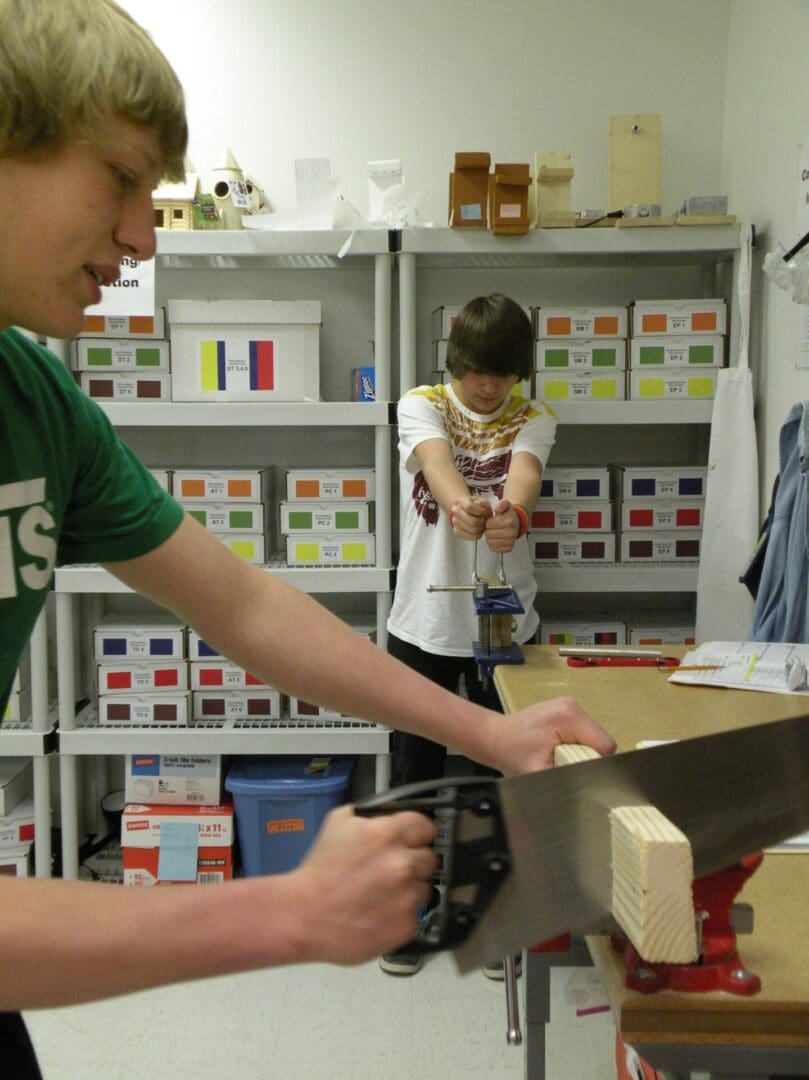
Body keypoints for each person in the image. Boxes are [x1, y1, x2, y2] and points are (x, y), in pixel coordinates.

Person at [0, 1, 615, 1074]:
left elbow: (240, 604)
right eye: (122, 178)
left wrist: (493, 736)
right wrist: (286, 915)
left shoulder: (38, 402)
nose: (145, 234)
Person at [382, 294, 555, 977]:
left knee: (498, 779)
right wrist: (460, 506)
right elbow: (434, 464)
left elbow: (526, 473)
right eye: (478, 372)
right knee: (412, 776)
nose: (488, 387)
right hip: (422, 623)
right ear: (456, 361)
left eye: (503, 375)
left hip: (503, 623)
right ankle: (407, 914)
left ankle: (487, 915)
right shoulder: (419, 402)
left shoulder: (533, 414)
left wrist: (511, 512)